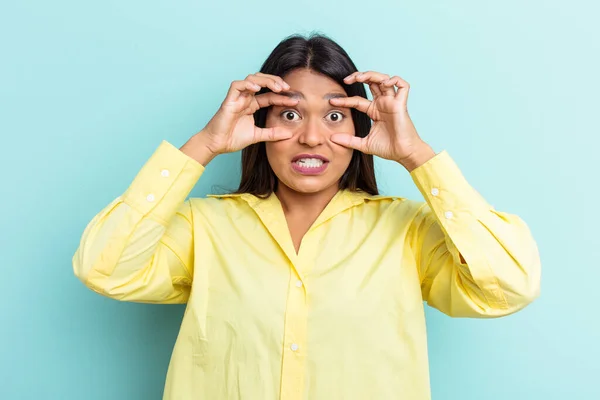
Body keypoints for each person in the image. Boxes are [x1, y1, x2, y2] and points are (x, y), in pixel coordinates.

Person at [72, 33, 541, 400]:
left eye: (334, 116)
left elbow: (509, 286)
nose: (312, 138)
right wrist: (204, 145)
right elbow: (104, 268)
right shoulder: (205, 227)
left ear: (361, 126)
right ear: (261, 125)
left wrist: (417, 155)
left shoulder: (408, 231)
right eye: (291, 116)